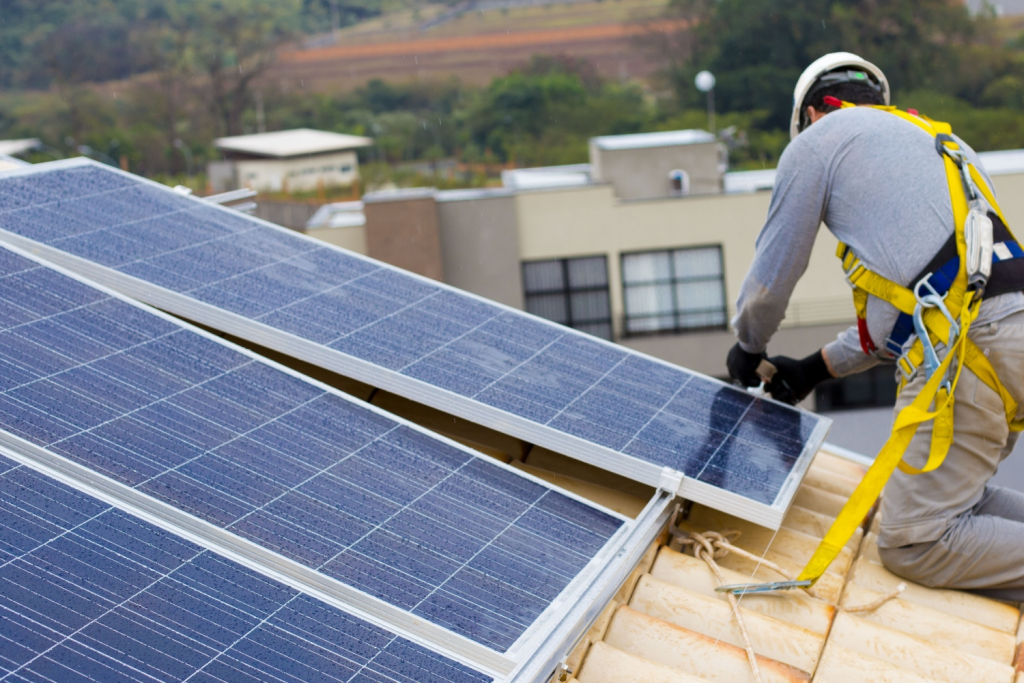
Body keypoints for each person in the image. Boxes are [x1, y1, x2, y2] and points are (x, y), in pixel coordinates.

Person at [726, 52, 1024, 599]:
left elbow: (772, 278)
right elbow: (914, 307)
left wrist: (749, 345)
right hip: (1006, 331)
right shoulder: (940, 143)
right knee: (962, 506)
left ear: (812, 114)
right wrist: (816, 368)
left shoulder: (815, 144)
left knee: (916, 541)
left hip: (968, 350)